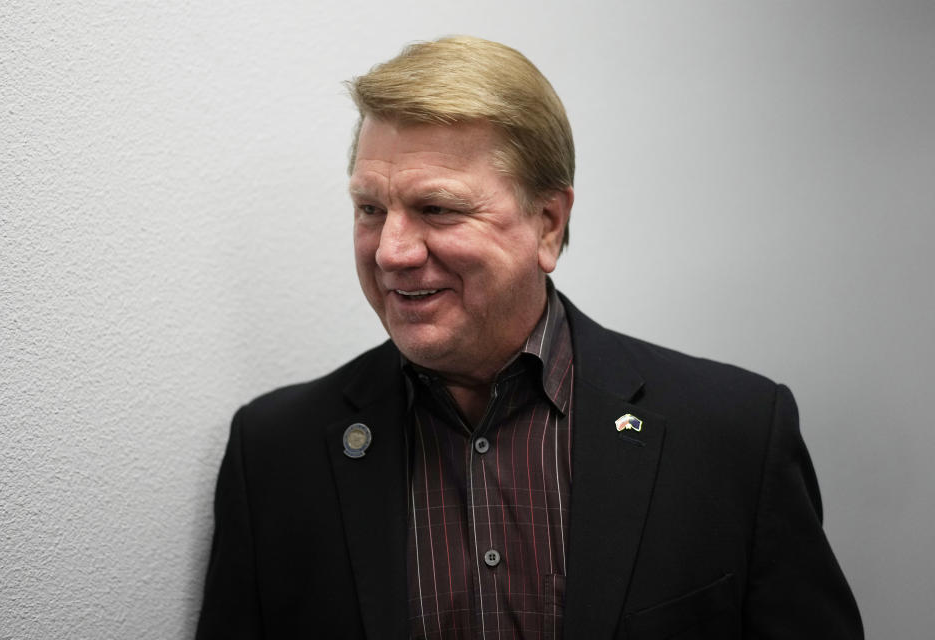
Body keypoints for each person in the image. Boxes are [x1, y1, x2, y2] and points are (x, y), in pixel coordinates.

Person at [196, 36, 862, 639]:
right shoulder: (276, 453)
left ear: (547, 224)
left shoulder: (732, 434)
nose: (391, 251)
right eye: (370, 209)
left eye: (437, 209)